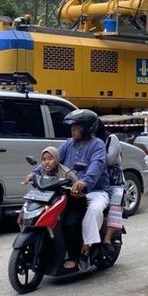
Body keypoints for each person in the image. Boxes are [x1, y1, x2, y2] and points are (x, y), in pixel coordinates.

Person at [56, 108, 108, 271]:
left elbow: (96, 166)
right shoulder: (68, 144)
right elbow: (52, 159)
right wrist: (36, 172)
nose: (72, 129)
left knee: (92, 211)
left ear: (87, 128)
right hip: (69, 190)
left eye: (76, 126)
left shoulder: (97, 145)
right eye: (72, 126)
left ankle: (85, 249)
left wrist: (85, 181)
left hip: (95, 191)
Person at [94, 119, 124, 252]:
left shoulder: (111, 139)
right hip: (96, 181)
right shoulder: (87, 142)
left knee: (115, 206)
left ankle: (107, 237)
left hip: (114, 183)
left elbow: (108, 160)